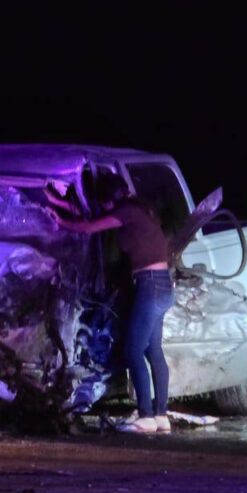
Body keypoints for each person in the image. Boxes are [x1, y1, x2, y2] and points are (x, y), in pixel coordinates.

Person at [45, 174, 174, 433]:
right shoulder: (137, 209)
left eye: (103, 203)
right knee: (153, 351)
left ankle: (147, 416)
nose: (103, 209)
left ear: (110, 199)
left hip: (149, 285)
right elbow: (92, 214)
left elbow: (88, 226)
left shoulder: (127, 211)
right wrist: (55, 200)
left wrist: (60, 220)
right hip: (162, 284)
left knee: (133, 350)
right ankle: (160, 414)